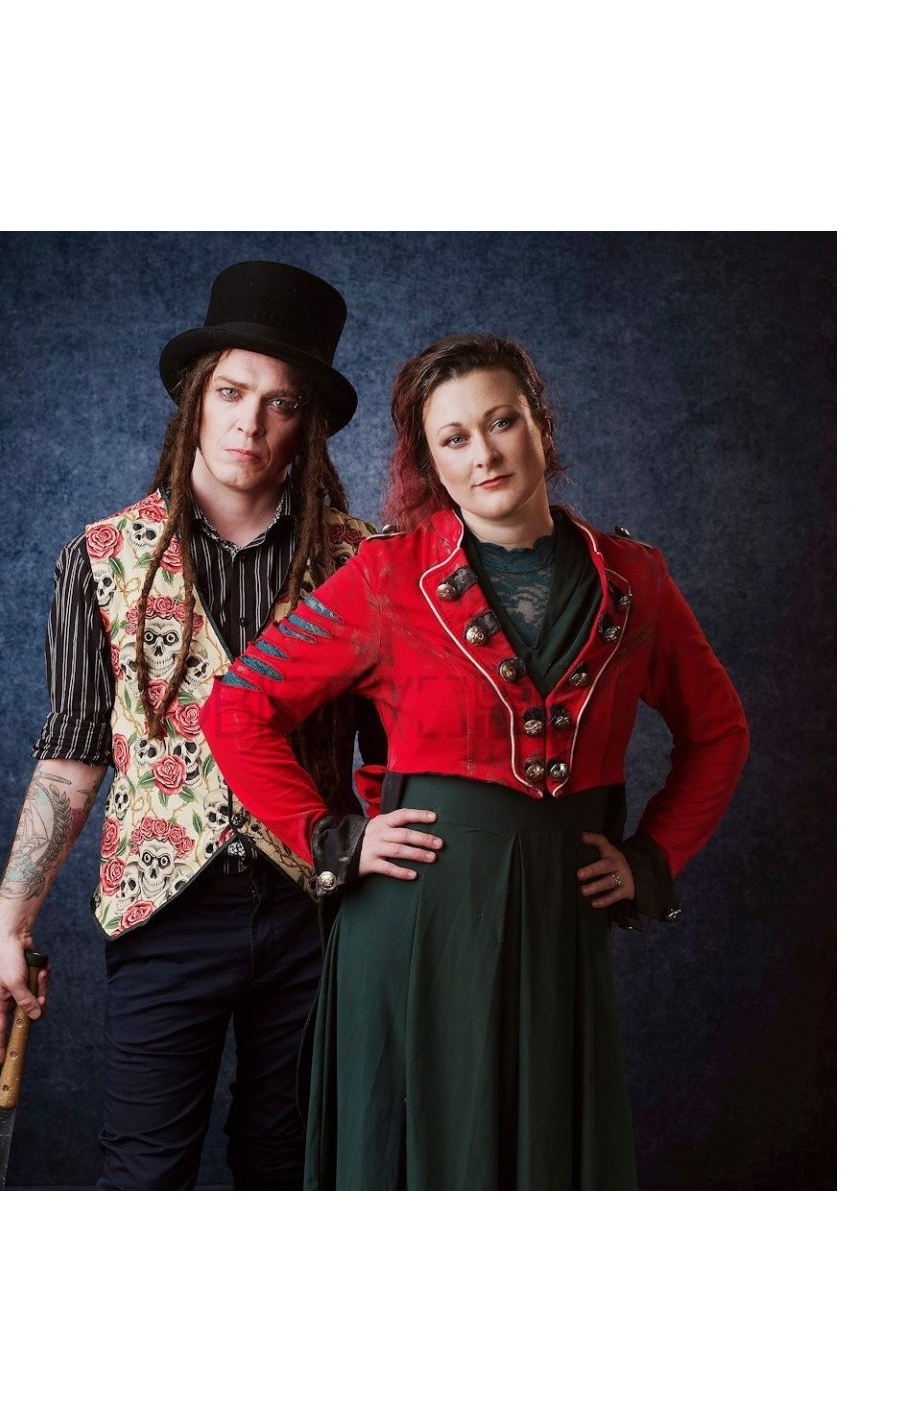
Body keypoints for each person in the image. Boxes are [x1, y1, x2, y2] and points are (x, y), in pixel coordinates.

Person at [200, 332, 750, 1190]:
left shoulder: (636, 579)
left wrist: (651, 858)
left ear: (540, 426)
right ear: (431, 461)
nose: (484, 455)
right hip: (415, 925)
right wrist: (332, 838)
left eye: (502, 422)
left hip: (558, 926)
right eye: (453, 438)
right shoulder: (385, 577)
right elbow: (237, 708)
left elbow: (718, 733)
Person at [0, 260, 386, 1190]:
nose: (251, 423)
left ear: (307, 423)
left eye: (281, 403)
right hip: (163, 913)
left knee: (292, 1174)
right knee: (144, 1177)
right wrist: (11, 921)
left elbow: (399, 751)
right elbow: (73, 754)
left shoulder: (363, 562)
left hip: (319, 911)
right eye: (232, 392)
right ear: (195, 398)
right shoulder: (101, 557)